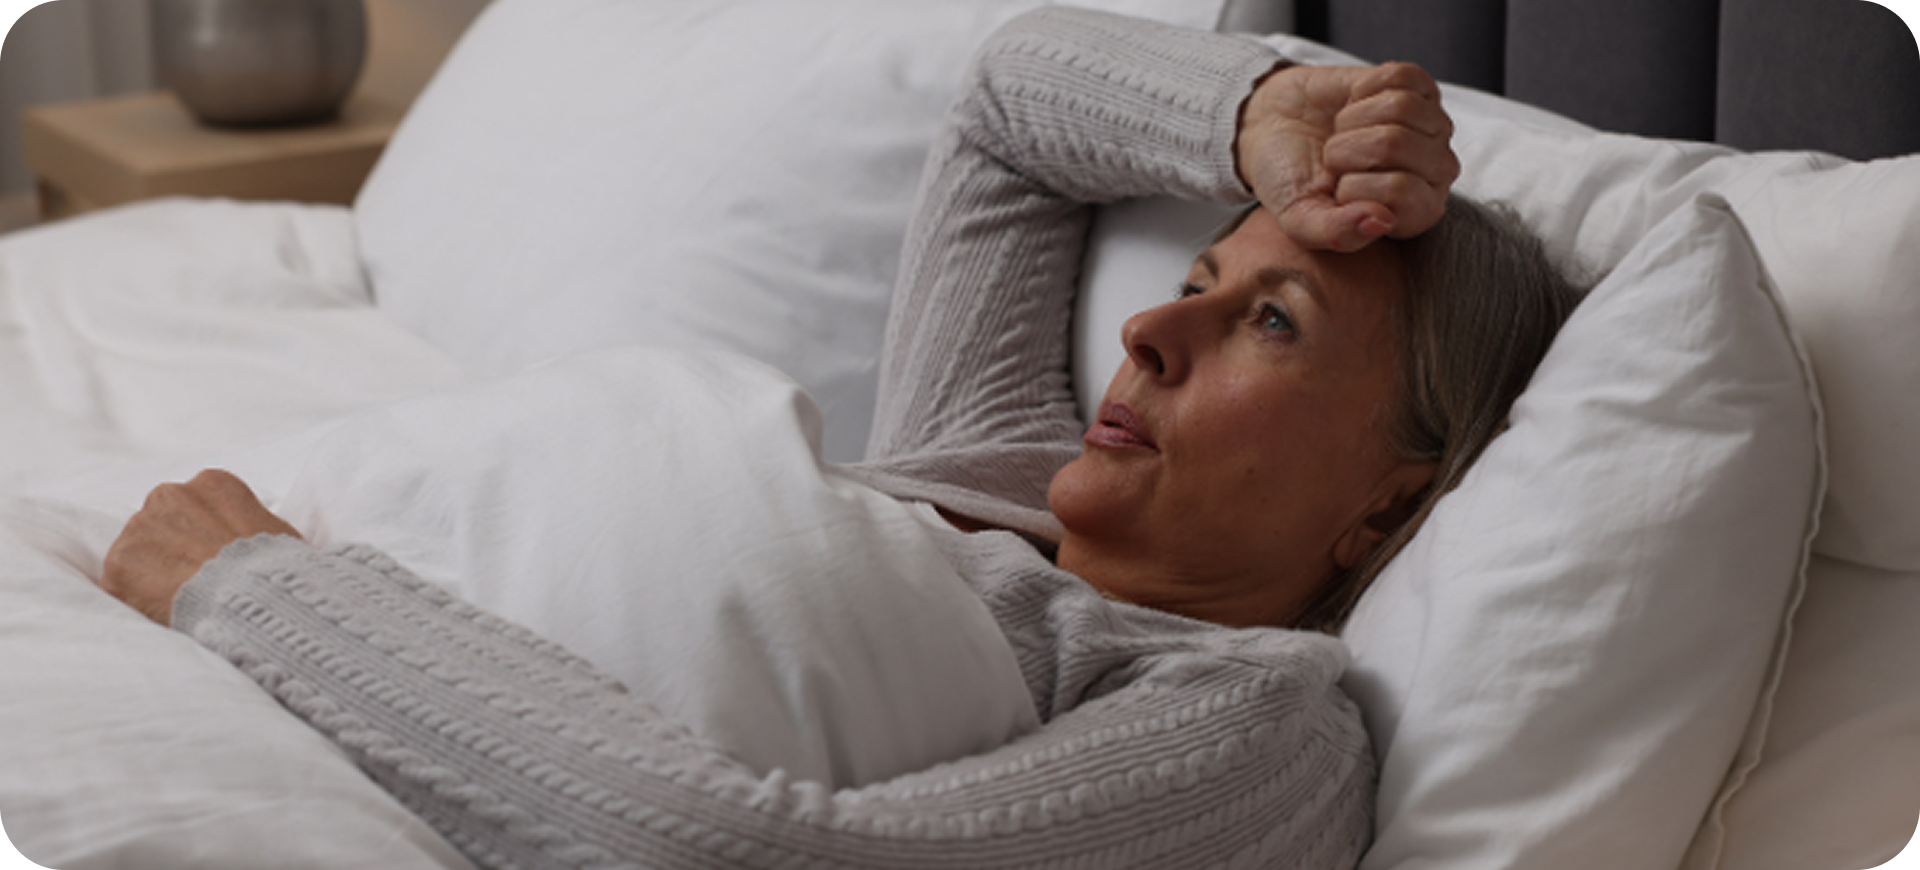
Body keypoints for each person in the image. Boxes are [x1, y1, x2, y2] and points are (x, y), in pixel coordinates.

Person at [96, 7, 1581, 868]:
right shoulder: (981, 455)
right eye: (1197, 278)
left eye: (1270, 323)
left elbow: (741, 856)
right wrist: (1258, 119)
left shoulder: (1261, 728)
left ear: (1388, 510)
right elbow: (1008, 107)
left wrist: (268, 593)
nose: (1147, 333)